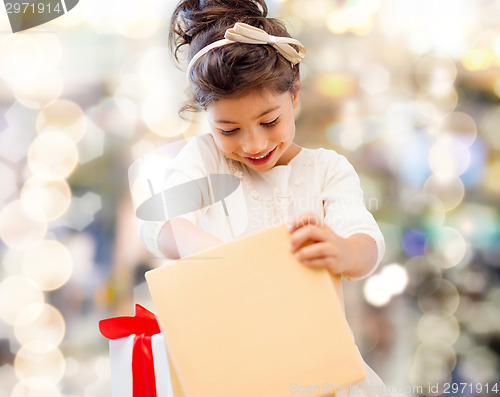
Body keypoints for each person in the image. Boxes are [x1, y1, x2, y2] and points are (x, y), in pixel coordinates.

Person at [137, 0, 390, 395]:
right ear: (207, 118)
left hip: (318, 375)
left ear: (294, 94)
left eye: (268, 121)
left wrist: (343, 251)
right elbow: (155, 221)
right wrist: (196, 244)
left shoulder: (325, 170)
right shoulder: (205, 161)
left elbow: (366, 242)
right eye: (228, 129)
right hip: (233, 373)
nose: (253, 143)